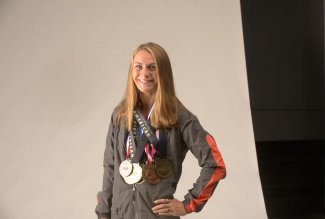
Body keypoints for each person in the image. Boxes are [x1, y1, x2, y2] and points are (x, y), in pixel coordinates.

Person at [95, 42, 226, 219]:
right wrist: (104, 211)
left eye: (152, 67)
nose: (144, 74)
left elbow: (215, 164)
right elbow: (111, 165)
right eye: (138, 67)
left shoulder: (180, 117)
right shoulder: (120, 114)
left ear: (163, 72)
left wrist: (188, 204)